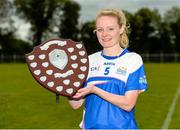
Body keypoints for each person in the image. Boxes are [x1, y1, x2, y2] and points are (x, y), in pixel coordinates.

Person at [68, 8, 148, 129]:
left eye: (110, 29)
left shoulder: (133, 59)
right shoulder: (88, 61)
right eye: (100, 29)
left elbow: (128, 104)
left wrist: (95, 90)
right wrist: (63, 86)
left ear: (121, 29)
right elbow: (75, 104)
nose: (104, 34)